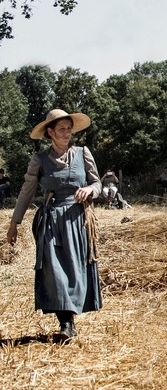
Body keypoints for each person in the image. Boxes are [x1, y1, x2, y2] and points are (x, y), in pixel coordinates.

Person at [5, 109, 103, 342]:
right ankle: (66, 323)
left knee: (74, 270)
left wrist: (89, 189)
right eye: (62, 129)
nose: (67, 133)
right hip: (51, 222)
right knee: (54, 272)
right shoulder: (40, 160)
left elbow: (97, 183)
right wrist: (14, 223)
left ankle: (72, 317)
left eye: (69, 128)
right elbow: (26, 191)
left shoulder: (83, 153)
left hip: (78, 220)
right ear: (49, 132)